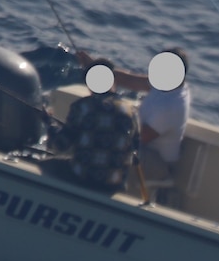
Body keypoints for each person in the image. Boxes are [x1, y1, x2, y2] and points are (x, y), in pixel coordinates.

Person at [75, 48, 191, 187]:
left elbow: (138, 138)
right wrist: (95, 66)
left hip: (155, 162)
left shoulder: (172, 106)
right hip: (140, 147)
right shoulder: (169, 84)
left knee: (103, 142)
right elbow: (129, 80)